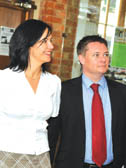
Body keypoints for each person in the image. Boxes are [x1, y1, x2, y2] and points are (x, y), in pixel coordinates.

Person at [48, 35, 126, 168]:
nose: (103, 59)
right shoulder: (64, 91)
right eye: (96, 55)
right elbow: (52, 136)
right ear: (81, 58)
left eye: (106, 54)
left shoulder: (123, 94)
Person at [0, 19, 61, 167]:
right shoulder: (4, 79)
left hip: (40, 155)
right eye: (45, 41)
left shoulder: (53, 82)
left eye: (51, 41)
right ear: (27, 43)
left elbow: (53, 116)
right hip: (6, 153)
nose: (51, 46)